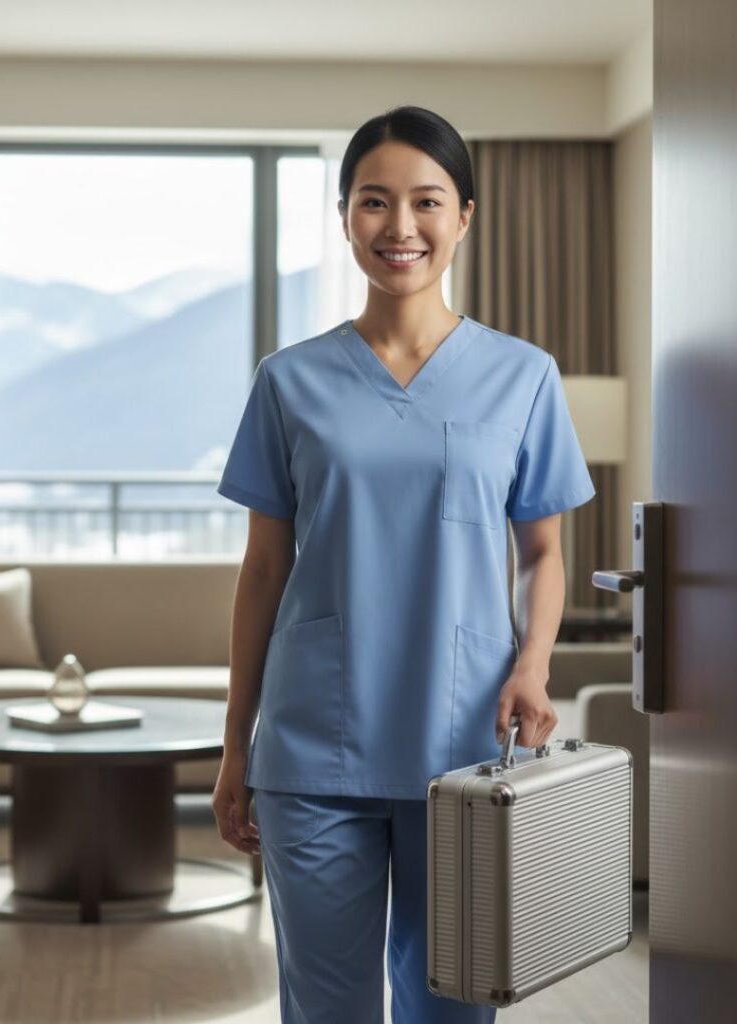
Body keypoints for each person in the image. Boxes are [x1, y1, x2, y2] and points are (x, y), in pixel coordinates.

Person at [211, 105, 596, 1023]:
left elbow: (544, 550)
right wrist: (236, 744)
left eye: (426, 201)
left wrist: (533, 666)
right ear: (345, 217)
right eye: (374, 202)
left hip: (464, 749)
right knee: (327, 1008)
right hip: (312, 753)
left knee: (455, 1004)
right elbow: (262, 572)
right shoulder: (288, 380)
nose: (400, 227)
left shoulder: (524, 376)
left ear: (464, 216)